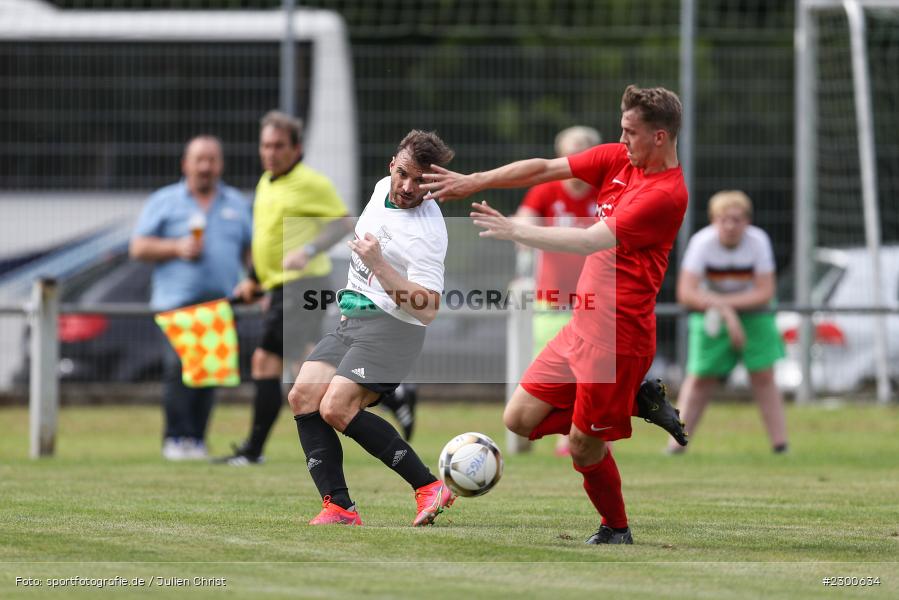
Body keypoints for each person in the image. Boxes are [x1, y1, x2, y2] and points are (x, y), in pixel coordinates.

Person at [421, 85, 689, 544]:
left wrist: (515, 231)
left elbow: (590, 241)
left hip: (618, 339)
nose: (621, 140)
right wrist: (475, 180)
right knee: (518, 420)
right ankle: (633, 402)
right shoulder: (618, 159)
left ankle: (616, 528)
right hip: (581, 326)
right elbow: (545, 168)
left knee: (585, 448)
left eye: (630, 132)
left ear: (660, 137)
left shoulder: (666, 194)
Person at [287, 129, 456, 526]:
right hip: (353, 321)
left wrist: (380, 265)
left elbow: (428, 309)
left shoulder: (427, 233)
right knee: (302, 397)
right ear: (391, 166)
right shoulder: (382, 187)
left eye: (419, 180)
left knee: (336, 407)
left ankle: (429, 487)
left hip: (394, 330)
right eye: (403, 174)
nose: (407, 187)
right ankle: (340, 508)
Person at [214, 110, 354, 466]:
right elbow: (268, 240)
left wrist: (307, 250)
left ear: (296, 148)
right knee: (303, 362)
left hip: (302, 284)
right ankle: (392, 394)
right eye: (265, 146)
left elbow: (342, 222)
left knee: (266, 361)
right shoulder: (266, 181)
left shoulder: (310, 182)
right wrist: (255, 279)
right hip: (279, 287)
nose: (270, 153)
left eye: (278, 146)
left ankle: (254, 450)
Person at [130, 135, 252, 461]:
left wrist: (254, 282)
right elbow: (138, 247)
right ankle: (175, 438)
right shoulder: (165, 201)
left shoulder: (236, 203)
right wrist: (176, 247)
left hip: (219, 302)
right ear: (186, 164)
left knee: (208, 373)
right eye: (199, 159)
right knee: (179, 367)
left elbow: (249, 250)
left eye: (212, 159)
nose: (205, 166)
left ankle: (196, 439)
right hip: (175, 302)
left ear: (220, 165)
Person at [669, 190, 788, 454]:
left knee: (764, 376)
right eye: (724, 219)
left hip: (754, 313)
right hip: (710, 313)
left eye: (737, 219)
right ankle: (676, 444)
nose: (730, 226)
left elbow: (765, 292)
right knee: (699, 378)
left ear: (747, 221)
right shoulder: (702, 243)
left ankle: (781, 445)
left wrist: (727, 307)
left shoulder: (758, 242)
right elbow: (686, 293)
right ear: (713, 220)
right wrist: (723, 311)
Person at [515, 125, 601, 457]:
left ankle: (572, 435)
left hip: (594, 300)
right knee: (546, 370)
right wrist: (522, 263)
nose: (572, 162)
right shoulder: (546, 190)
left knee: (589, 371)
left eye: (579, 154)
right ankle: (530, 429)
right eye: (566, 154)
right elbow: (522, 224)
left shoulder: (604, 191)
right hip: (550, 298)